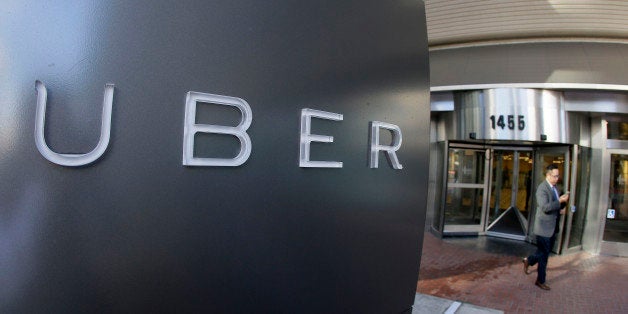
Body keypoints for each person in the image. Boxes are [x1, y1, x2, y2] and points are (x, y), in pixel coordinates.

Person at [522, 164, 569, 290]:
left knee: (543, 252)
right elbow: (545, 207)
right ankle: (540, 281)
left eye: (558, 176)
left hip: (552, 227)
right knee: (544, 255)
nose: (557, 178)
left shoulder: (556, 188)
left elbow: (554, 206)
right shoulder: (542, 189)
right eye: (555, 176)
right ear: (548, 175)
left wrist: (561, 207)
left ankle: (529, 260)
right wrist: (559, 202)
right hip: (543, 228)